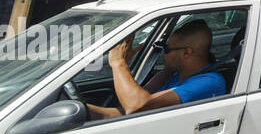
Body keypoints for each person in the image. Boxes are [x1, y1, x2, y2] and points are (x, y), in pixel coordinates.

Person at [86, 20, 226, 118]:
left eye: (166, 49)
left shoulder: (209, 82)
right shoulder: (177, 75)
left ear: (186, 53)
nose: (162, 53)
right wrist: (89, 112)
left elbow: (135, 106)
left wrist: (118, 63)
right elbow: (142, 96)